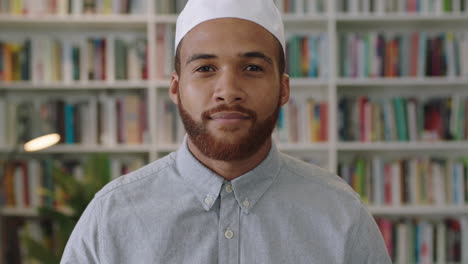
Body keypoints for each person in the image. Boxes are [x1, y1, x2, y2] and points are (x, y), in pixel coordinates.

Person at [61, 0, 392, 263]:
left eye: (252, 68)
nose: (228, 90)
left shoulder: (341, 214)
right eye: (205, 69)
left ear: (283, 88)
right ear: (175, 88)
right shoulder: (113, 215)